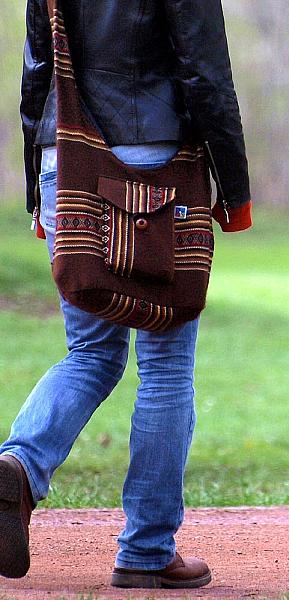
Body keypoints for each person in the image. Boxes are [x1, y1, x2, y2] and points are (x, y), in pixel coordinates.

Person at [0, 0, 252, 589]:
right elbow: (205, 72)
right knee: (165, 367)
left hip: (66, 159)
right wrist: (235, 187)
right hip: (156, 162)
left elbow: (38, 70)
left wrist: (39, 190)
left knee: (90, 352)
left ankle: (18, 465)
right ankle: (146, 550)